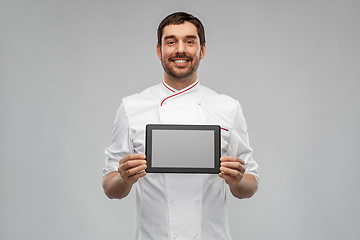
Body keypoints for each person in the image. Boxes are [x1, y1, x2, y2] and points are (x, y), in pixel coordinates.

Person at [102, 12, 259, 240]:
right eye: (171, 41)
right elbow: (110, 187)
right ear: (159, 50)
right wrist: (124, 178)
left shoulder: (228, 108)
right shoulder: (131, 107)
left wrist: (237, 180)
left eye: (190, 41)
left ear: (202, 50)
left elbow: (250, 185)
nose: (180, 49)